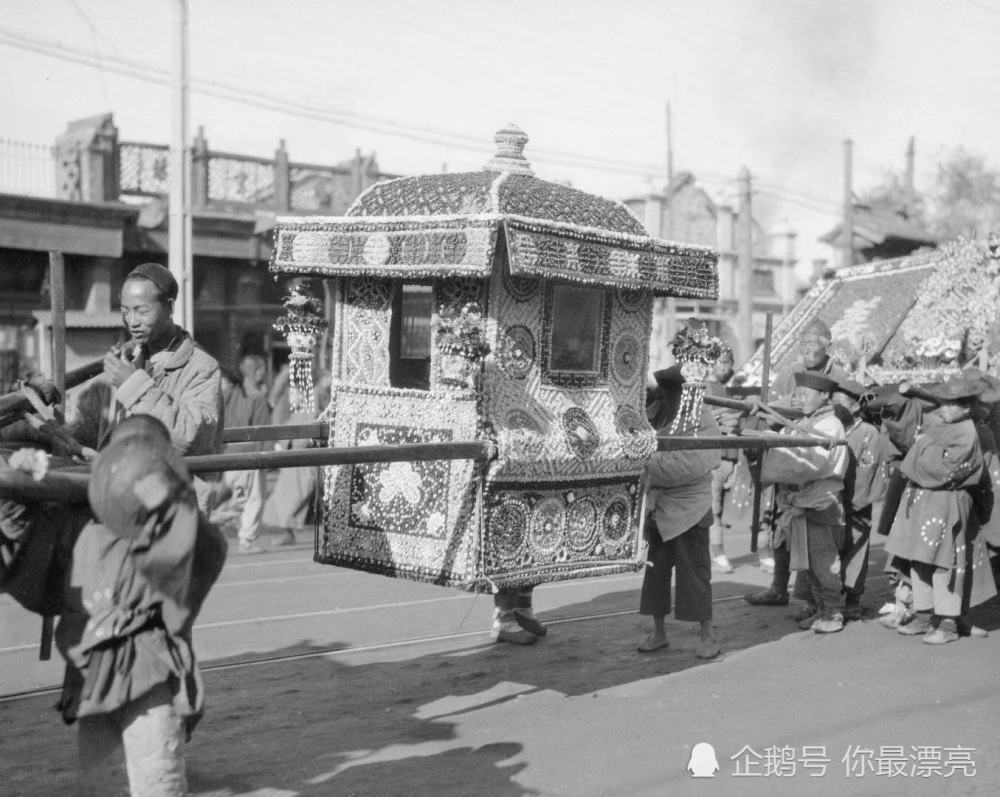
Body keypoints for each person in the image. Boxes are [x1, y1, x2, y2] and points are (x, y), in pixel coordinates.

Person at [2, 415, 227, 794]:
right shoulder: (85, 526)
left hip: (151, 682)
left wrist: (159, 491)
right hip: (94, 682)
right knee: (109, 783)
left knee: (158, 783)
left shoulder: (175, 536)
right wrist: (21, 484)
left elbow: (206, 553)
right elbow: (27, 548)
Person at [884, 377, 997, 644]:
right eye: (943, 402)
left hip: (947, 504)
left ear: (967, 407)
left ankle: (947, 623)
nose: (943, 408)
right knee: (919, 558)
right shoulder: (942, 426)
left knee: (945, 563)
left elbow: (945, 469)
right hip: (924, 502)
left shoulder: (967, 433)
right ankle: (924, 616)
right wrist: (922, 445)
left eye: (950, 403)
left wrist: (921, 445)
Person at [102, 262, 224, 502]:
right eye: (125, 311)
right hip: (128, 499)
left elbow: (190, 437)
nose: (132, 321)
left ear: (169, 307)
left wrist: (133, 386)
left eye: (142, 311)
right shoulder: (130, 360)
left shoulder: (202, 367)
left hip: (179, 506)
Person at [748, 371, 848, 632]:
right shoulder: (806, 421)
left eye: (805, 394)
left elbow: (806, 462)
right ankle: (820, 609)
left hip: (822, 503)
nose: (799, 399)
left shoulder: (831, 425)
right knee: (811, 565)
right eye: (798, 394)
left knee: (824, 563)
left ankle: (834, 612)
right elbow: (788, 441)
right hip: (803, 502)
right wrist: (766, 431)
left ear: (824, 395)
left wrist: (773, 441)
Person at [636, 365, 721, 659]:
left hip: (691, 507)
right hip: (659, 508)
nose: (668, 401)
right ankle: (658, 632)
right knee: (655, 575)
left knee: (695, 574)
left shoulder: (702, 420)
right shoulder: (658, 411)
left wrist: (644, 461)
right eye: (665, 394)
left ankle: (707, 635)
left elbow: (685, 466)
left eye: (674, 395)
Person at [831, 377, 885, 619]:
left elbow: (867, 470)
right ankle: (820, 600)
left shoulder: (868, 433)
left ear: (854, 406)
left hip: (854, 502)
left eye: (840, 403)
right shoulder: (829, 427)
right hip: (828, 501)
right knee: (824, 552)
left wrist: (852, 503)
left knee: (855, 550)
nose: (834, 408)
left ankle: (853, 601)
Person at [212, 366, 271, 554]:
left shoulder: (217, 397)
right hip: (249, 455)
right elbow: (263, 430)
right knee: (252, 500)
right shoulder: (256, 397)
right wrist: (268, 458)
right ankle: (247, 540)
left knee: (237, 500)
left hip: (227, 456)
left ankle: (203, 522)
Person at [704, 346, 740, 573]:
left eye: (727, 362)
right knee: (714, 509)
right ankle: (718, 552)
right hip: (713, 456)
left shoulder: (729, 389)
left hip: (730, 455)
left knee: (723, 510)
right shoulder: (705, 388)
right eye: (719, 362)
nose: (723, 367)